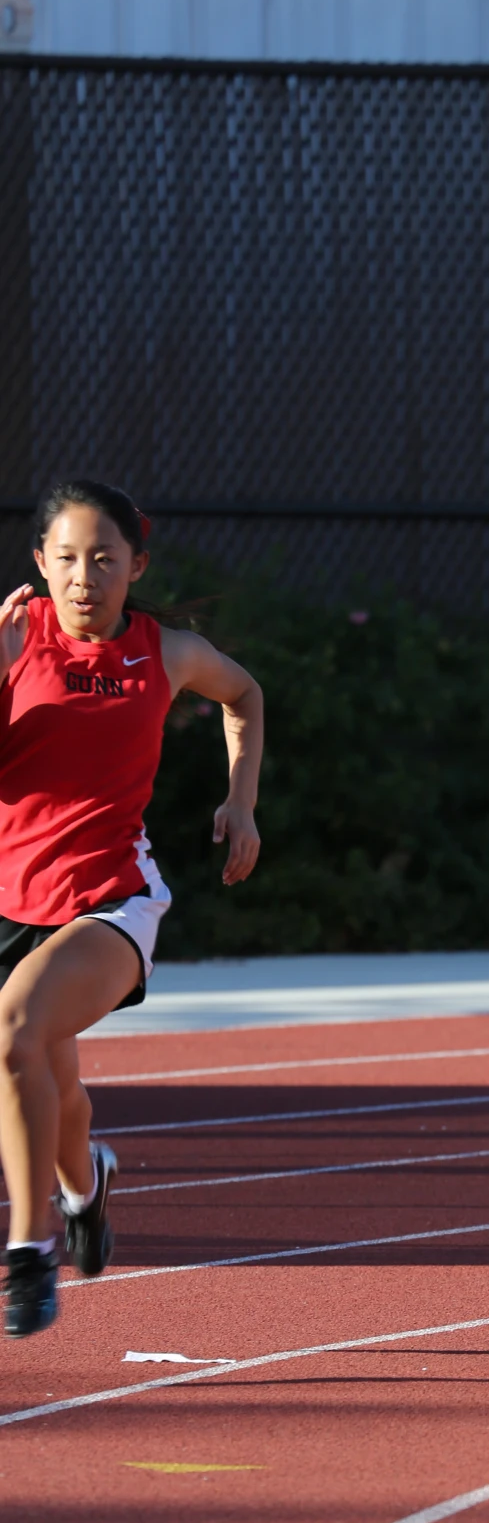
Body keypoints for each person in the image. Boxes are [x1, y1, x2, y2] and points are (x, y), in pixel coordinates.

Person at [0, 478, 263, 1335]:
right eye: (68, 559)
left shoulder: (166, 652)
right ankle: (86, 1187)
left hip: (112, 897)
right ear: (39, 565)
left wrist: (242, 799)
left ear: (135, 565)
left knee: (14, 1034)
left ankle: (29, 1250)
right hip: (12, 900)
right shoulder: (9, 643)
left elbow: (246, 697)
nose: (86, 577)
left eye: (105, 559)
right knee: (60, 1091)